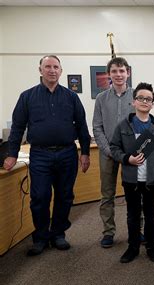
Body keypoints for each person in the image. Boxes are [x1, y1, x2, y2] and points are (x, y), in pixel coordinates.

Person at [3, 55, 91, 256]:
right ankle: (41, 237)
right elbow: (17, 127)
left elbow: (81, 126)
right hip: (40, 155)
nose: (52, 70)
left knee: (65, 196)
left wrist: (85, 152)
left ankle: (58, 234)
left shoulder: (71, 97)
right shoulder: (27, 97)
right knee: (40, 197)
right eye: (48, 67)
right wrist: (12, 154)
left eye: (56, 67)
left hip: (67, 153)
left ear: (61, 71)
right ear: (40, 70)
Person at [110, 82, 154, 263]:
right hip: (131, 180)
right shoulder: (123, 126)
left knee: (151, 214)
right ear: (134, 102)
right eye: (141, 98)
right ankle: (133, 246)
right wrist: (126, 158)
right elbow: (114, 147)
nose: (145, 101)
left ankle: (152, 246)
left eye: (149, 99)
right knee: (132, 215)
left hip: (151, 180)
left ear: (153, 104)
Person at [93, 57, 135, 248]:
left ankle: (137, 230)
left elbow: (142, 123)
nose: (118, 74)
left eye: (122, 71)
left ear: (128, 73)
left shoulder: (136, 97)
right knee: (107, 194)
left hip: (131, 155)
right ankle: (108, 232)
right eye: (114, 71)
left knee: (135, 194)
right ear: (109, 74)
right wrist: (109, 150)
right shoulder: (101, 99)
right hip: (108, 153)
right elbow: (97, 127)